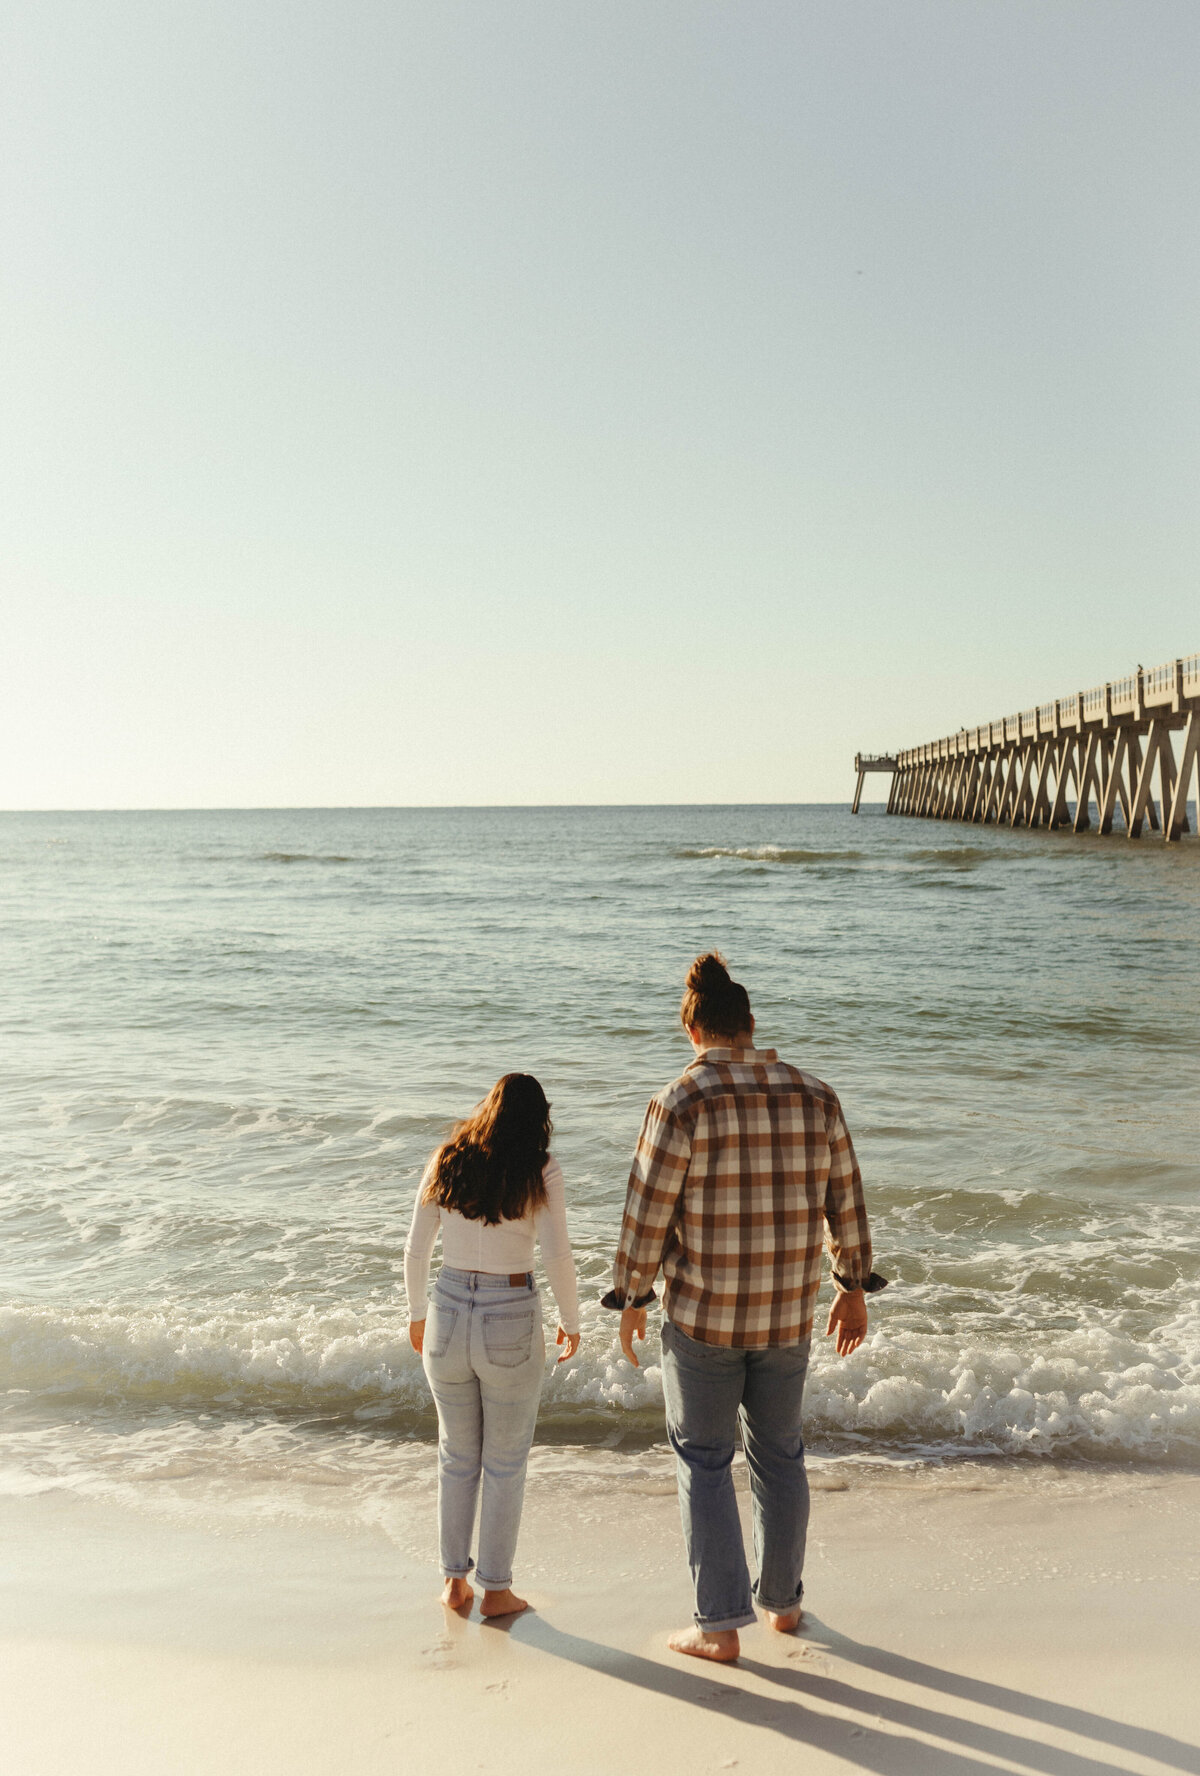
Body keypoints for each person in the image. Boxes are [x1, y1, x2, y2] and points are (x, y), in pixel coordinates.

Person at [606, 953, 880, 1663]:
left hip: (703, 1316)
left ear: (691, 1028)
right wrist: (852, 1287)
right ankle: (783, 1606)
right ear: (751, 1026)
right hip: (787, 1313)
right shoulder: (816, 1096)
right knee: (780, 1454)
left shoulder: (680, 1101)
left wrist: (632, 1298)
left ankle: (719, 1626)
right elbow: (846, 1202)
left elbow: (646, 1214)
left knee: (702, 1459)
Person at [406, 1073, 581, 1619]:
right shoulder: (540, 1168)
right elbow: (556, 1256)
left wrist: (417, 1313)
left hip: (449, 1309)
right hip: (509, 1313)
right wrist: (572, 1321)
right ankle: (497, 1592)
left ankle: (454, 1584)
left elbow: (416, 1249)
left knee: (456, 1455)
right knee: (504, 1462)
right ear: (539, 1119)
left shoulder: (448, 1158)